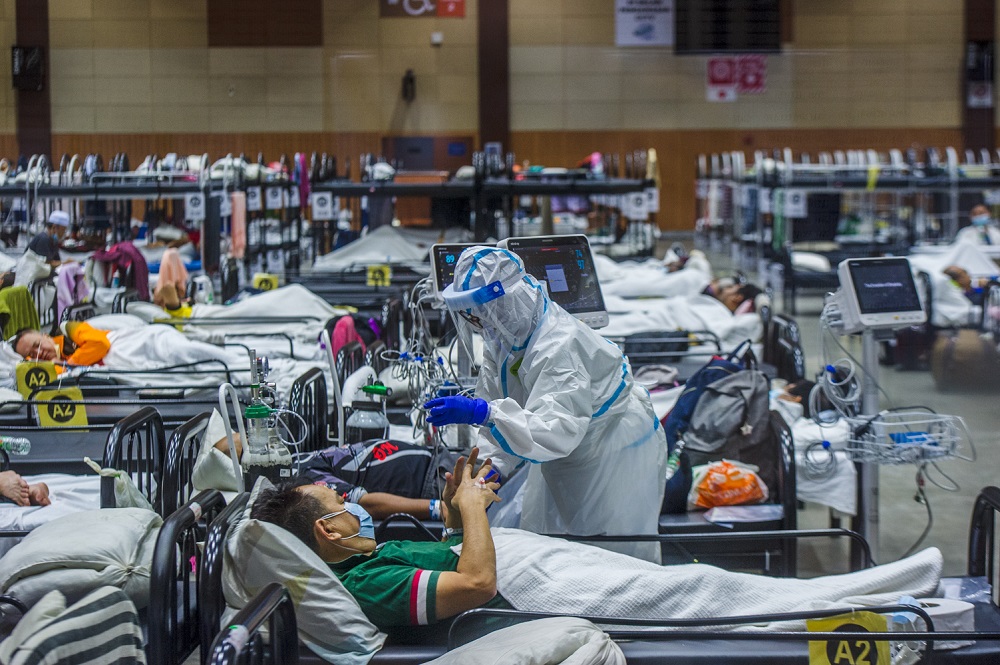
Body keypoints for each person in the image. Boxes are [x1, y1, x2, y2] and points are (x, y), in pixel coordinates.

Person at [252, 448, 942, 633]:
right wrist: (473, 512)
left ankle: (856, 589)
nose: (351, 502)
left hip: (529, 555)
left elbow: (464, 552)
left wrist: (470, 497)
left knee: (686, 577)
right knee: (693, 588)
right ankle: (871, 601)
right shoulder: (366, 583)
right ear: (326, 530)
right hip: (524, 587)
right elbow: (476, 585)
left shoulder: (378, 551)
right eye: (339, 500)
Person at [423, 247, 666, 562]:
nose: (475, 321)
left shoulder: (559, 344)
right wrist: (490, 468)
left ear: (503, 301)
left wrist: (481, 413)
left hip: (611, 449)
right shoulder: (504, 340)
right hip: (564, 451)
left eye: (478, 311)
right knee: (547, 543)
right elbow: (503, 405)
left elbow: (556, 430)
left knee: (611, 555)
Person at [10, 322, 111, 369]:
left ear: (46, 336)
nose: (39, 353)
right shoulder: (50, 365)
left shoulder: (68, 329)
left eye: (37, 345)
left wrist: (68, 364)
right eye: (32, 354)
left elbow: (101, 343)